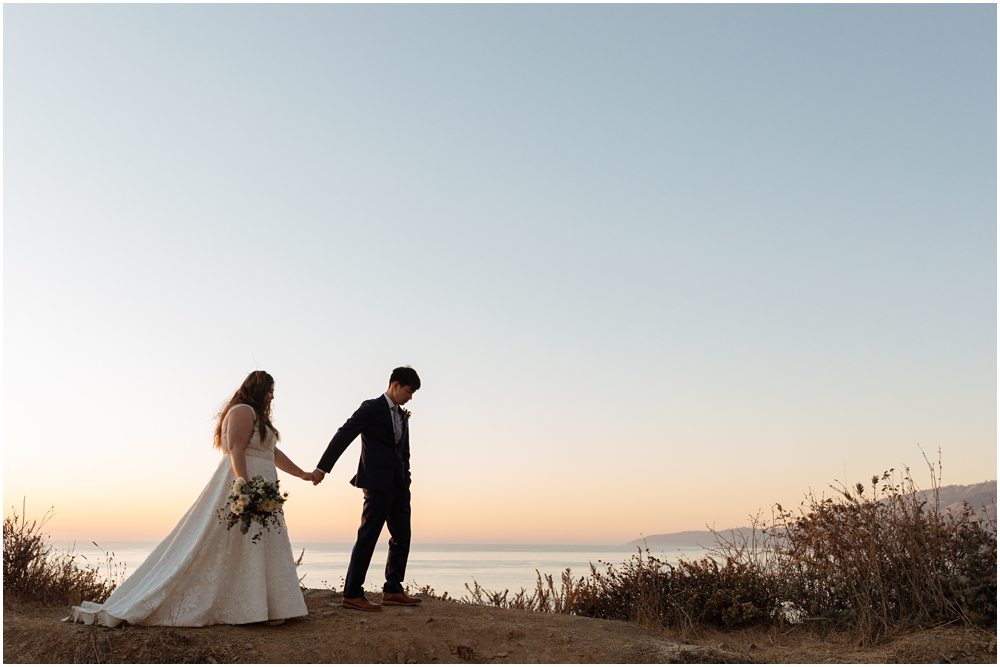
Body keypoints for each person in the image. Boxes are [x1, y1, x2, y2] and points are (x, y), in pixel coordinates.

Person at [66, 371, 315, 627]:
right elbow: (236, 448)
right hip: (244, 483)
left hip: (264, 486)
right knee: (230, 538)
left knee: (260, 540)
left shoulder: (260, 418)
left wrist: (302, 474)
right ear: (258, 388)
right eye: (270, 390)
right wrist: (246, 487)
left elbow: (271, 452)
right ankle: (249, 608)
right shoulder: (242, 410)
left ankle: (267, 605)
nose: (273, 395)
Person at [313, 366, 421, 611]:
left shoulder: (403, 416)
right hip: (376, 484)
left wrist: (406, 478)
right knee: (368, 537)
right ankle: (352, 593)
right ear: (395, 385)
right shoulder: (371, 408)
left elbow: (404, 453)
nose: (411, 396)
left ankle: (393, 589)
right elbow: (344, 434)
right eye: (409, 390)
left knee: (402, 536)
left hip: (400, 485)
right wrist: (322, 468)